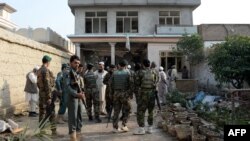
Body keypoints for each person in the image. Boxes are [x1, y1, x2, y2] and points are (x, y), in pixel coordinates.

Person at [134, 59, 158, 135]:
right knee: (151, 111)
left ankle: (141, 129)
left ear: (143, 65)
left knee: (141, 111)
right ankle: (150, 128)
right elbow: (156, 81)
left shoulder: (140, 72)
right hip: (152, 94)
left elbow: (137, 83)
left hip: (143, 94)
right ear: (149, 64)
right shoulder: (154, 72)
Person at [64, 55, 85, 141]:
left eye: (78, 63)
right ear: (71, 63)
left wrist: (82, 93)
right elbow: (67, 87)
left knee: (79, 116)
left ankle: (78, 133)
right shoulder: (68, 73)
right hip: (72, 97)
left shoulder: (77, 73)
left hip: (79, 97)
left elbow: (79, 85)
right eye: (75, 63)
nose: (77, 65)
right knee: (73, 117)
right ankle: (73, 137)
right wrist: (76, 94)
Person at [37, 55, 57, 135]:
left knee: (42, 112)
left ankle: (41, 131)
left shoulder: (39, 70)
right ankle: (53, 131)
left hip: (41, 94)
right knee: (51, 112)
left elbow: (38, 83)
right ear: (48, 62)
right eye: (49, 62)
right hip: (47, 95)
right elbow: (47, 84)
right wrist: (49, 97)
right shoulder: (45, 70)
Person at [111, 60, 132, 133]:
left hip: (116, 94)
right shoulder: (127, 73)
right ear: (125, 65)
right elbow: (131, 84)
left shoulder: (114, 73)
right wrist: (130, 93)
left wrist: (111, 94)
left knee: (116, 111)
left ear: (119, 65)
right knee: (128, 109)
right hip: (124, 94)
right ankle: (124, 125)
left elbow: (110, 84)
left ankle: (115, 127)